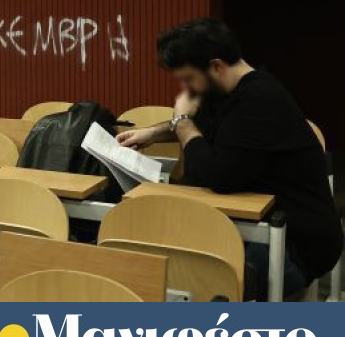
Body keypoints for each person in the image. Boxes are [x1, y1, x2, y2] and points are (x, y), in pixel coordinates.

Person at [118, 18, 342, 299]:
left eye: (188, 79)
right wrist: (153, 133)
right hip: (248, 224)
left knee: (196, 282)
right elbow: (204, 125)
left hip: (295, 241)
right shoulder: (225, 91)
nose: (186, 89)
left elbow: (219, 176)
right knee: (154, 263)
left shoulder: (259, 100)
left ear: (216, 66)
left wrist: (182, 121)